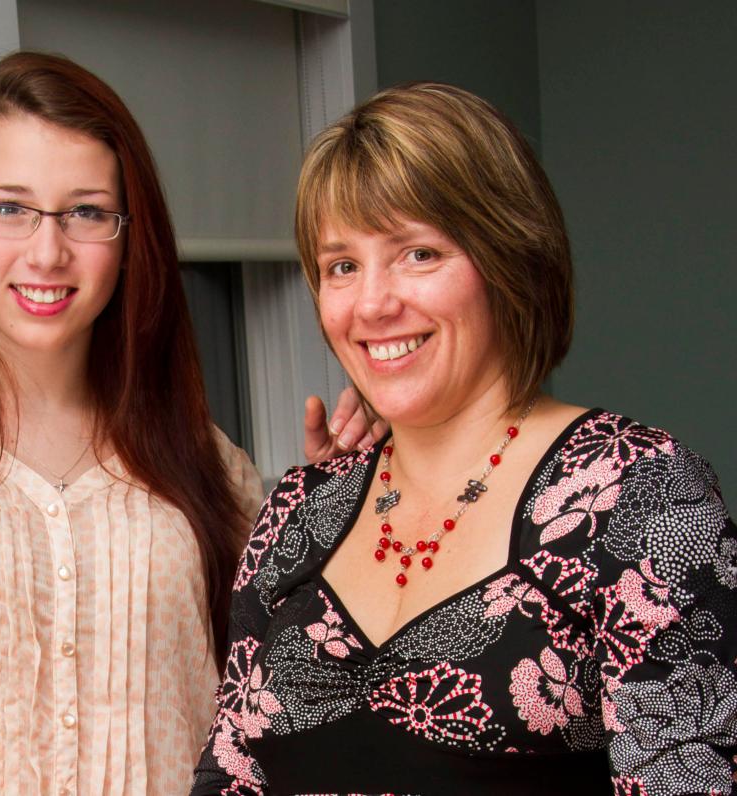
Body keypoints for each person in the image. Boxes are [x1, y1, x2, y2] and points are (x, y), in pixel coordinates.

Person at [0, 52, 375, 794]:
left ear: (127, 241)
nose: (48, 251)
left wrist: (333, 529)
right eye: (8, 207)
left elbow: (282, 723)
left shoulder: (212, 468)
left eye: (87, 212)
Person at [193, 82, 737, 795]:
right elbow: (231, 772)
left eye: (417, 253)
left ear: (509, 258)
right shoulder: (298, 512)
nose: (373, 304)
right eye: (342, 266)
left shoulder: (640, 493)